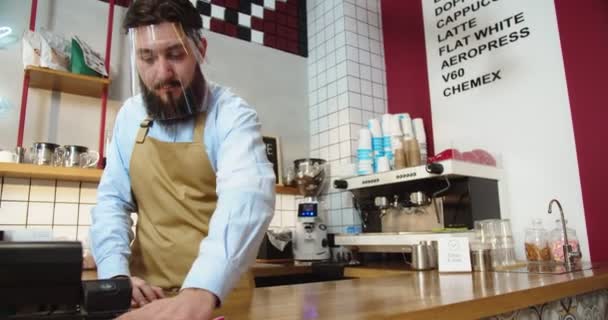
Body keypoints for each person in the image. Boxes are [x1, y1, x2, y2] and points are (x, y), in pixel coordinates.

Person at [89, 0, 275, 319]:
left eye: (175, 54)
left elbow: (248, 196)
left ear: (200, 49)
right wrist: (116, 278)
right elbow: (111, 202)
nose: (162, 73)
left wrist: (201, 290)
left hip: (218, 296)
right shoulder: (129, 117)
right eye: (147, 57)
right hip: (144, 298)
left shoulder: (231, 115)